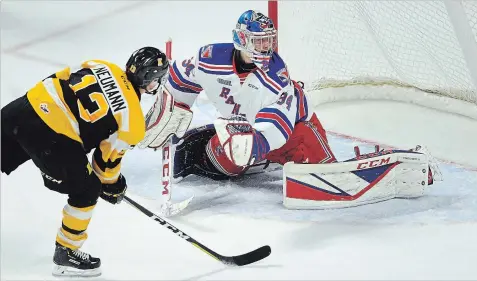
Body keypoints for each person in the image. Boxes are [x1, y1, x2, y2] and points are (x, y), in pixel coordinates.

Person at [1, 46, 169, 277]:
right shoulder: (133, 121)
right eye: (156, 80)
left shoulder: (101, 64)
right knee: (88, 189)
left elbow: (59, 77)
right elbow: (105, 166)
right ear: (149, 79)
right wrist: (114, 186)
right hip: (50, 135)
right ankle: (67, 252)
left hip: (23, 108)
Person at [138, 10, 337, 181]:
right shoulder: (210, 59)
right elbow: (181, 76)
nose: (266, 46)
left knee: (307, 148)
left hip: (294, 127)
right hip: (245, 125)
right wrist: (172, 109)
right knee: (221, 156)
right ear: (242, 39)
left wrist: (258, 144)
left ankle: (321, 169)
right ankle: (217, 152)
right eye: (259, 41)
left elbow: (279, 120)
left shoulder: (277, 74)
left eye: (269, 40)